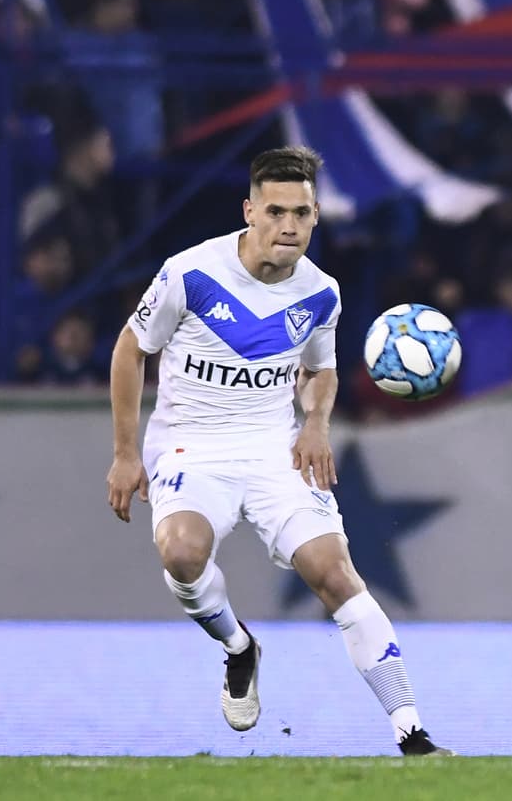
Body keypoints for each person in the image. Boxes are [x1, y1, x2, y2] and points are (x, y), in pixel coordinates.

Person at [105, 146, 451, 756]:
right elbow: (130, 350)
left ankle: (411, 732)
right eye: (275, 211)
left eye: (301, 213)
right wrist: (126, 452)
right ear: (250, 211)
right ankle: (239, 647)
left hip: (274, 450)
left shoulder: (322, 293)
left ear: (317, 215)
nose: (289, 226)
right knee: (182, 554)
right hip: (192, 447)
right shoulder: (191, 272)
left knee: (334, 572)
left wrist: (316, 421)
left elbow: (321, 369)